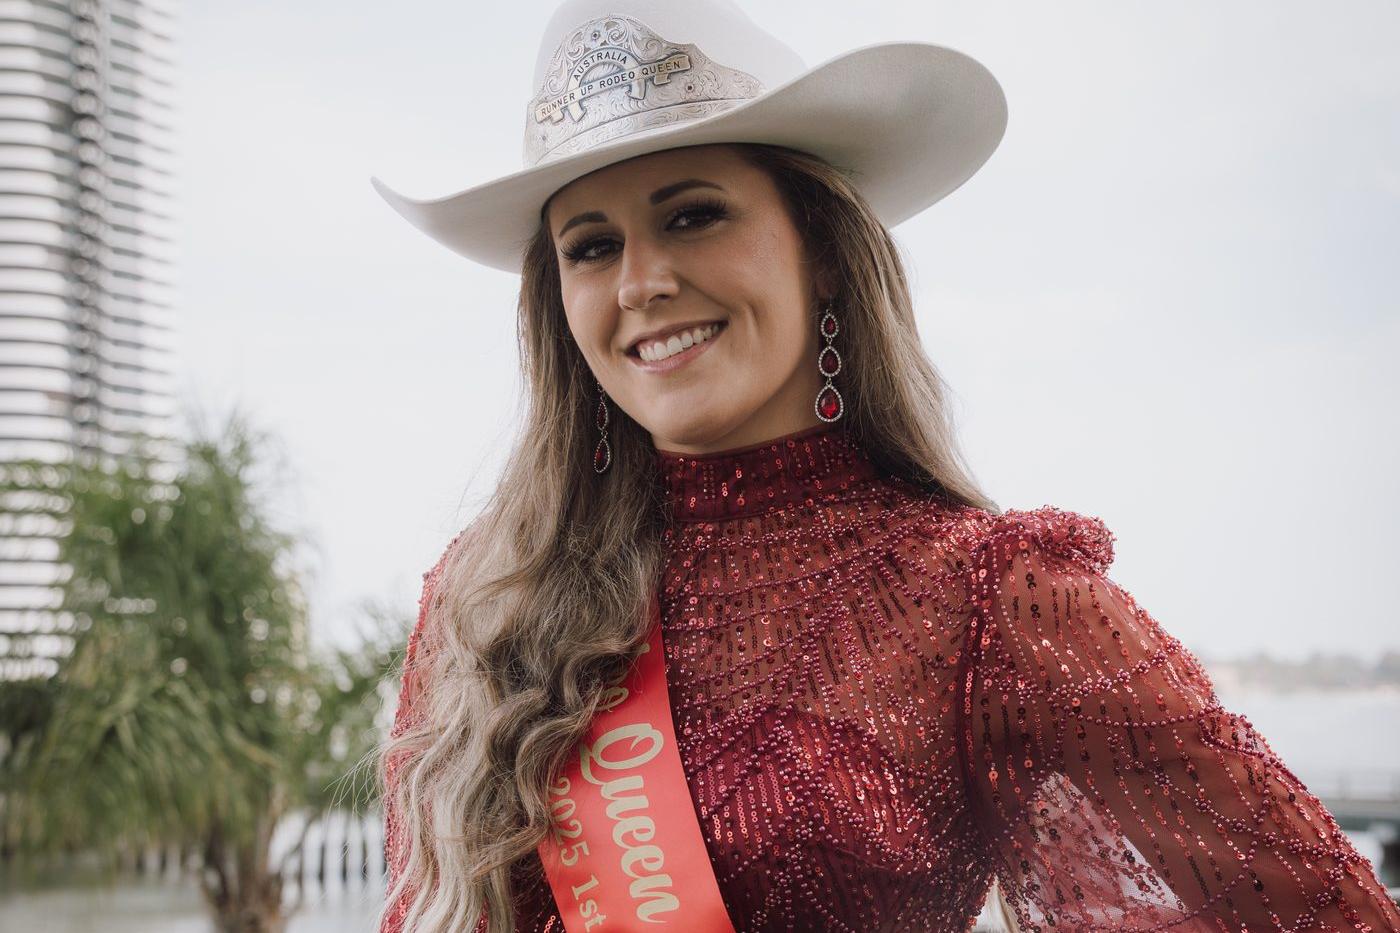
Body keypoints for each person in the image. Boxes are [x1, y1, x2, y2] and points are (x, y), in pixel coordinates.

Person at [371, 1, 1400, 931]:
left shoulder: (992, 597)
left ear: (818, 246)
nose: (641, 281)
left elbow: (1328, 911)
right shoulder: (485, 603)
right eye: (589, 246)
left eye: (691, 214)